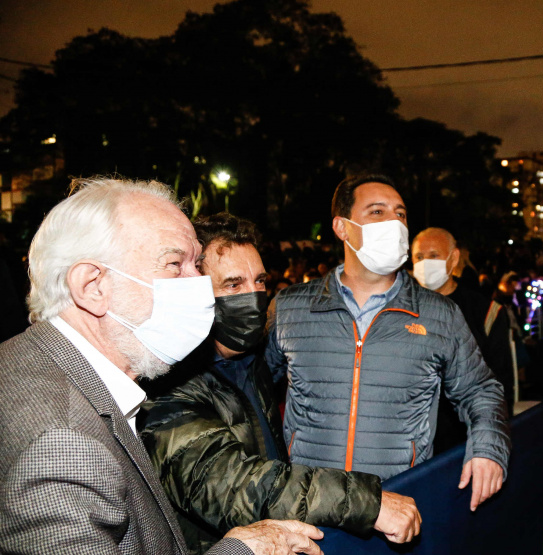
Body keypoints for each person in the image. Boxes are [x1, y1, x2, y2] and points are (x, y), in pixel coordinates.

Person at [0, 178, 324, 555]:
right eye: (175, 264)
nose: (200, 284)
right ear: (92, 286)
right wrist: (242, 550)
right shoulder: (62, 445)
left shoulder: (29, 362)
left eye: (197, 264)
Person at [139, 212, 422, 554]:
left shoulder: (253, 360)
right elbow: (230, 484)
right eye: (233, 284)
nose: (254, 294)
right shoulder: (166, 383)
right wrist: (368, 502)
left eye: (259, 281)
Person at [267, 174, 510, 512]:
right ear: (342, 227)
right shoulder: (291, 307)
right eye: (377, 212)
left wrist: (488, 447)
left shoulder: (439, 314)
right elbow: (255, 388)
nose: (394, 223)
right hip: (308, 506)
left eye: (400, 214)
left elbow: (480, 389)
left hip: (398, 504)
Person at [411, 227, 514, 451]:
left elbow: (501, 381)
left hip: (464, 441)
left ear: (453, 258)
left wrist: (493, 441)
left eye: (434, 256)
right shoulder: (398, 309)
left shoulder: (485, 312)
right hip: (411, 443)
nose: (425, 263)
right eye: (419, 257)